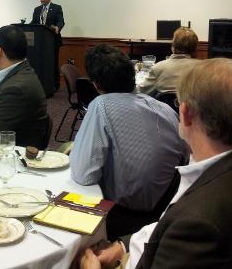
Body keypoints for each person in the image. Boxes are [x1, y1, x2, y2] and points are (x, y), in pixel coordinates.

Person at [80, 58, 232, 269]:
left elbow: (83, 173)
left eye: (178, 104)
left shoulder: (200, 222)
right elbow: (164, 226)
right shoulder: (204, 170)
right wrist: (122, 247)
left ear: (186, 114)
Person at [70, 44, 189, 239]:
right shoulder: (165, 109)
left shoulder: (101, 106)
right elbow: (185, 157)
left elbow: (83, 174)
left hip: (121, 217)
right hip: (166, 215)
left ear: (96, 84)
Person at [138, 27, 198, 95]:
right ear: (195, 49)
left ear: (173, 46)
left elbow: (141, 91)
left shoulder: (157, 68)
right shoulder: (202, 69)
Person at [30, 0, 64, 90]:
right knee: (40, 62)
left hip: (52, 41)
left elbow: (60, 21)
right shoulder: (37, 9)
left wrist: (58, 27)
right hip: (39, 42)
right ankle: (41, 83)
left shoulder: (57, 8)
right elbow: (33, 23)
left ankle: (55, 84)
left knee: (53, 63)